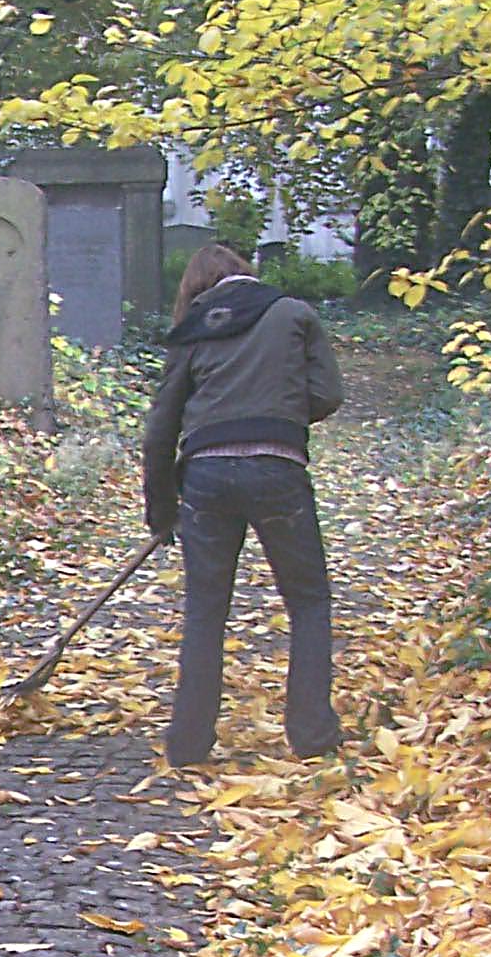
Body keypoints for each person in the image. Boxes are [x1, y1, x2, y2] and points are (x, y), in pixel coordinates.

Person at [142, 242, 346, 770]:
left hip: (206, 476)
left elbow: (160, 428)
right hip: (277, 468)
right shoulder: (294, 313)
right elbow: (328, 393)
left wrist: (162, 510)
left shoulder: (193, 329)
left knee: (206, 608)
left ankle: (188, 744)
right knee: (308, 600)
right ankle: (312, 733)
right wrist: (279, 412)